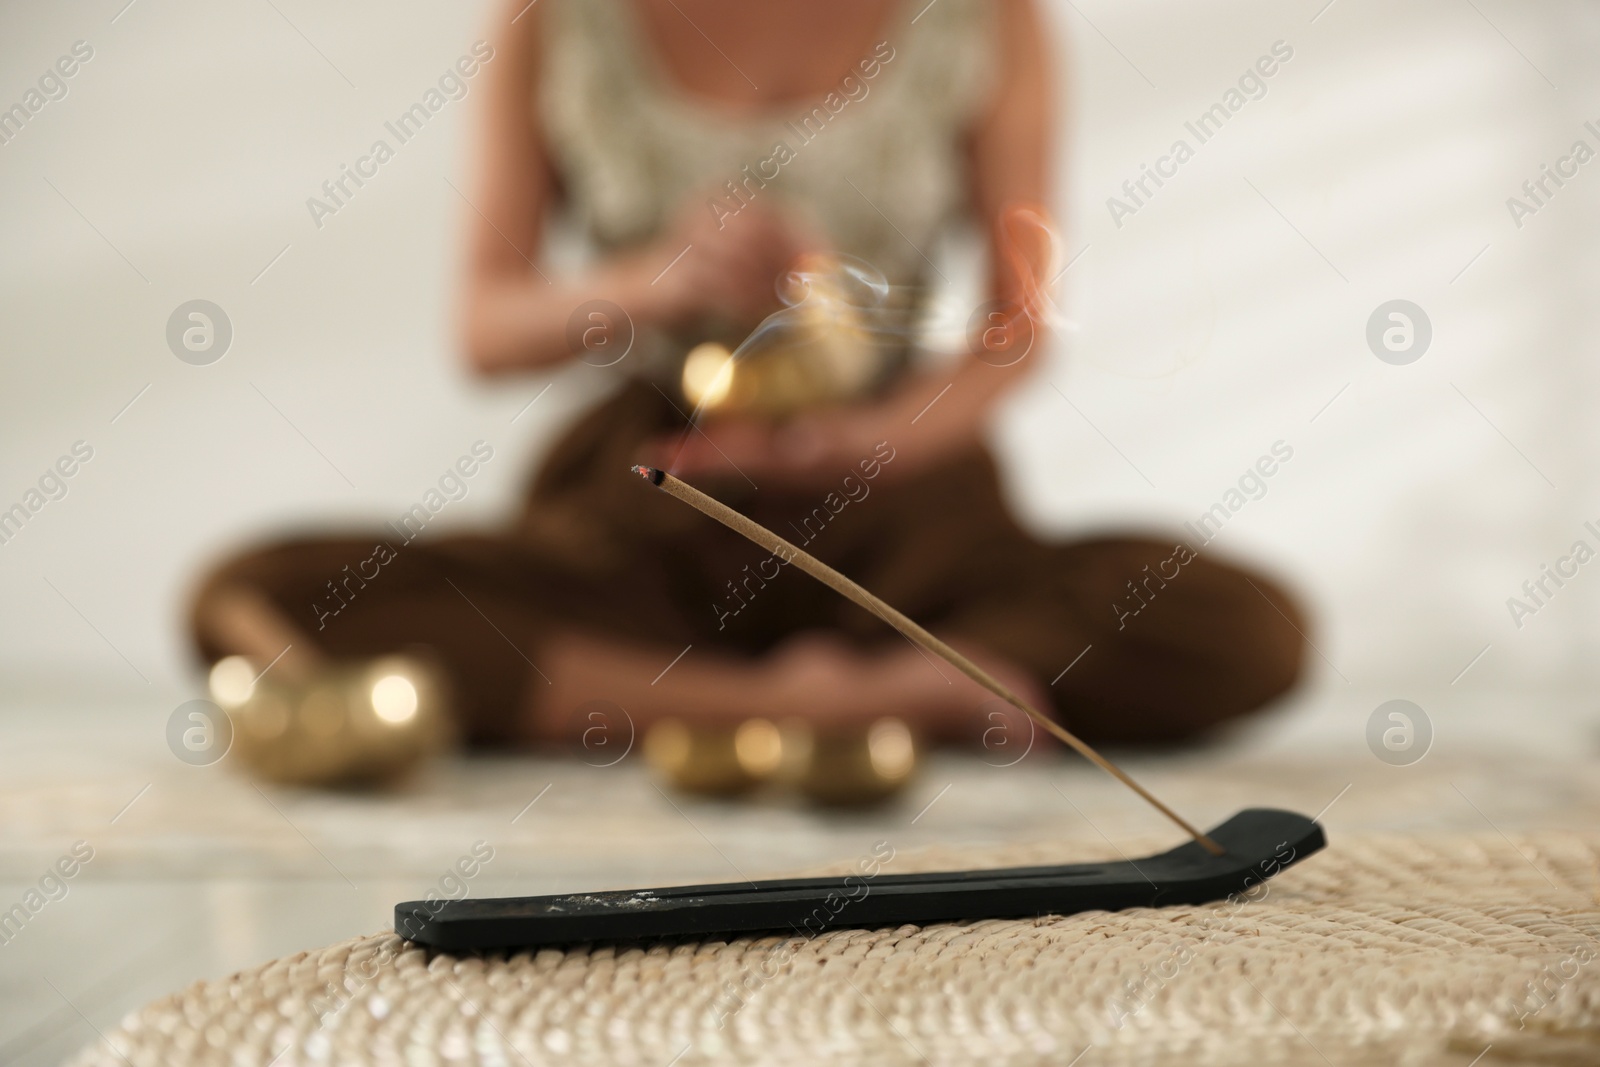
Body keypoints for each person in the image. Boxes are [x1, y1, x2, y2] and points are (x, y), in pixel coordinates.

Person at [189, 0, 1306, 754]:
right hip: (656, 496)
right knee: (255, 595)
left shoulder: (984, 18)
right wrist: (648, 282)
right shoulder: (554, 20)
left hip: (897, 495)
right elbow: (486, 326)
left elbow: (1017, 325)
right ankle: (804, 710)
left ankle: (683, 703)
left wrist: (860, 438)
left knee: (1248, 625)